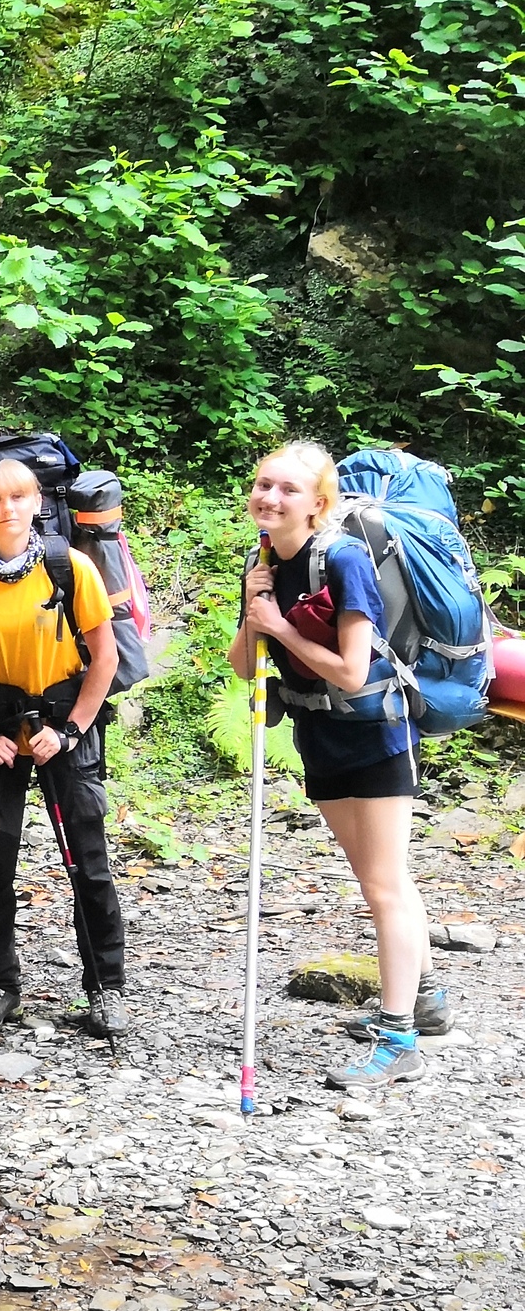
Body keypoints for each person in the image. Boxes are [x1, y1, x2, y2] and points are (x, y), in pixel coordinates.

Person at [228, 441, 444, 1090]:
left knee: (384, 886)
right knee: (383, 882)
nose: (270, 497)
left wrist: (282, 628)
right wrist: (253, 609)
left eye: (287, 489)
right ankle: (425, 998)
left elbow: (352, 671)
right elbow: (244, 665)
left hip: (374, 735)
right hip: (318, 737)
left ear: (318, 503)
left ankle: (398, 1035)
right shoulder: (263, 559)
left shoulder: (344, 559)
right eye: (264, 484)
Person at [0, 459, 128, 1039]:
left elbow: (105, 656)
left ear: (38, 502)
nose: (9, 508)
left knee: (86, 860)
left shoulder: (72, 568)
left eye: (20, 497)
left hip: (64, 725)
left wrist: (70, 731)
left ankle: (106, 988)